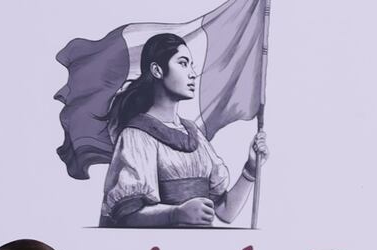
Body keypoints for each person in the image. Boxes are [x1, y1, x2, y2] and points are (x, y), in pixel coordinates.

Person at [99, 32, 270, 227]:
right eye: (183, 63)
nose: (192, 73)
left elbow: (225, 212)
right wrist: (176, 214)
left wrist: (251, 168)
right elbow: (127, 217)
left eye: (191, 65)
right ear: (157, 70)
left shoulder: (194, 134)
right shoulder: (136, 135)